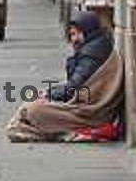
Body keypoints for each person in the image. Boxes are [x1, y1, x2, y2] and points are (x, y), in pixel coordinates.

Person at [7, 11, 124, 142]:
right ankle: (31, 129)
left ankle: (63, 132)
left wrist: (48, 94)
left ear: (88, 31)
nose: (73, 39)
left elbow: (73, 87)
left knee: (35, 110)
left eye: (76, 34)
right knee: (33, 107)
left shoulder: (91, 54)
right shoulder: (96, 47)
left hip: (90, 114)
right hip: (89, 107)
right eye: (71, 35)